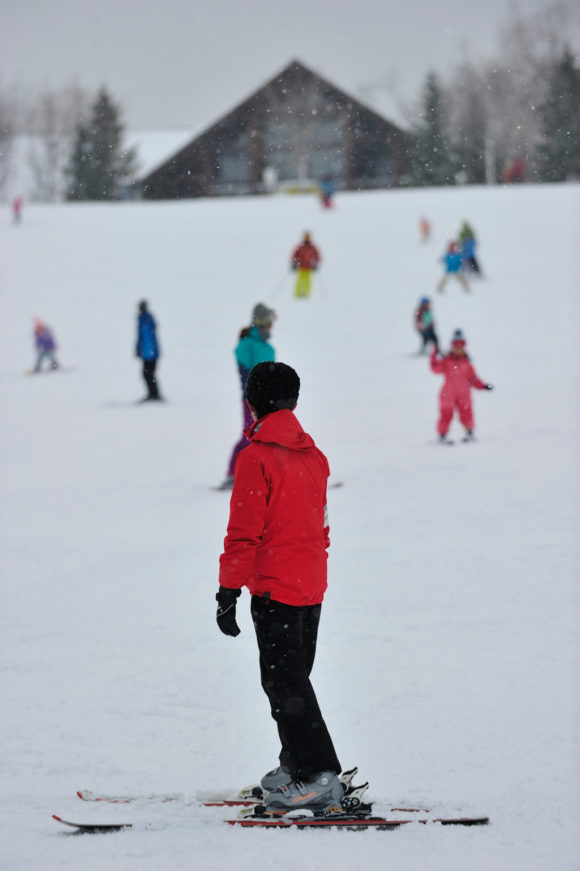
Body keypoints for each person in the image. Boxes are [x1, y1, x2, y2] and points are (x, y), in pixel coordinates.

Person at [216, 361, 343, 814]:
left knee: (285, 683)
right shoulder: (315, 456)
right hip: (310, 584)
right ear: (293, 401)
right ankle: (296, 765)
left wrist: (227, 592)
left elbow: (244, 533)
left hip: (274, 589)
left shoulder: (256, 458)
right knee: (290, 682)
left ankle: (320, 777)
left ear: (252, 404)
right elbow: (321, 526)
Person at [220, 303, 276, 490]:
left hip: (270, 400)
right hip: (251, 400)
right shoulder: (246, 345)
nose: (271, 327)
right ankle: (232, 475)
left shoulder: (266, 346)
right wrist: (255, 393)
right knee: (249, 436)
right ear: (262, 323)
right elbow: (246, 374)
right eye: (269, 323)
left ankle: (270, 474)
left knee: (271, 437)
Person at [430, 329, 493, 442]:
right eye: (456, 345)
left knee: (467, 412)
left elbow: (473, 379)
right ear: (452, 347)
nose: (458, 348)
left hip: (464, 394)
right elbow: (436, 369)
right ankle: (442, 435)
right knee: (446, 414)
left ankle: (470, 433)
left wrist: (483, 386)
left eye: (461, 345)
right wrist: (434, 356)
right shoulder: (447, 361)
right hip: (448, 393)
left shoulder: (467, 364)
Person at [135, 300, 162, 401]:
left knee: (148, 373)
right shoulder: (145, 319)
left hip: (150, 353)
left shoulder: (145, 320)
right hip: (149, 352)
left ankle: (154, 394)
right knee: (148, 374)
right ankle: (153, 394)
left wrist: (145, 352)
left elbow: (146, 338)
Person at [291, 232, 321, 298]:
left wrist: (316, 264)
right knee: (300, 280)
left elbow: (317, 256)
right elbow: (295, 255)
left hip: (308, 267)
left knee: (307, 281)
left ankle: (306, 294)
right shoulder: (300, 247)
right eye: (306, 237)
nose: (307, 238)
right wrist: (294, 263)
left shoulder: (312, 247)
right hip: (301, 267)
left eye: (308, 237)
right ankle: (298, 293)